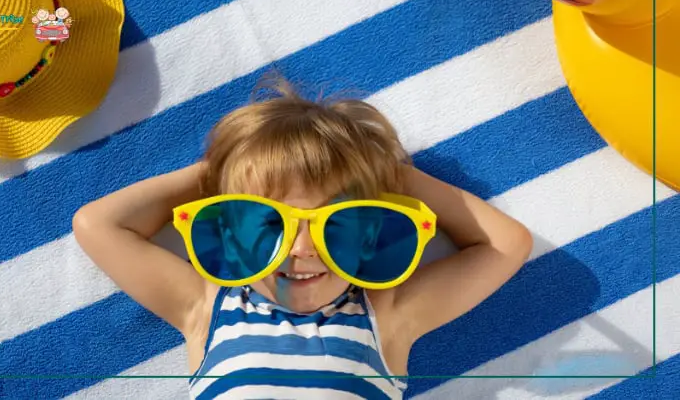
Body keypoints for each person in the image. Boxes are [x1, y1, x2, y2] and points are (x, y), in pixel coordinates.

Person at [73, 71, 533, 399]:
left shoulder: (385, 315)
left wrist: (387, 174)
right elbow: (98, 225)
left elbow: (505, 244)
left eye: (336, 223)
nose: (303, 248)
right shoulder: (207, 307)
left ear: (368, 236)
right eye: (267, 223)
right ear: (230, 236)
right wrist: (218, 173)